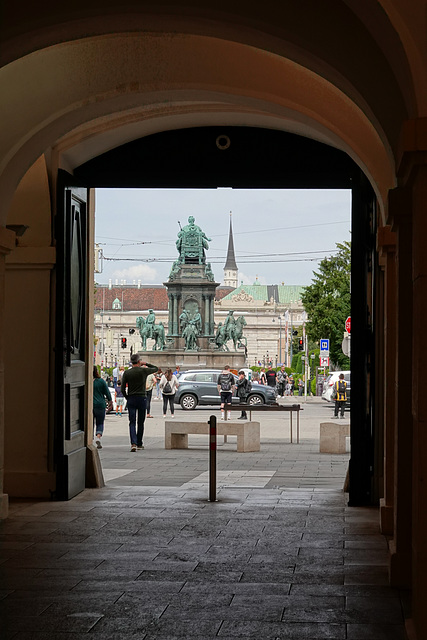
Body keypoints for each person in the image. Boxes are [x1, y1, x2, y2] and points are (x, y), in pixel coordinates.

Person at [121, 354, 158, 452]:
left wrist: (127, 397)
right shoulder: (143, 371)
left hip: (131, 398)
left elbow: (122, 388)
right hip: (142, 398)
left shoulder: (127, 373)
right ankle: (139, 443)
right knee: (140, 422)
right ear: (139, 362)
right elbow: (155, 368)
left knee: (132, 422)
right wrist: (145, 363)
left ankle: (133, 443)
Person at [93, 366, 112, 449]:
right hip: (100, 405)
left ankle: (89, 439)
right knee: (100, 422)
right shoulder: (101, 381)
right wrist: (110, 401)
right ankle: (98, 436)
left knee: (89, 424)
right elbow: (107, 392)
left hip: (90, 405)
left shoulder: (86, 380)